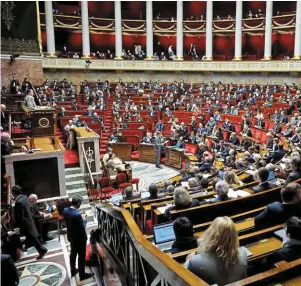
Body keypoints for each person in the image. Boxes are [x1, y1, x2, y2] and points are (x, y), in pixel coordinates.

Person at [185, 216, 248, 285]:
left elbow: (184, 278)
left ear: (211, 234)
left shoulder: (195, 261)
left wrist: (188, 261)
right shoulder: (243, 254)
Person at [63, 195, 94, 281]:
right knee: (81, 256)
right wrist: (85, 219)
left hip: (71, 236)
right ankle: (82, 274)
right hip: (80, 238)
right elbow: (82, 226)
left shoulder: (65, 210)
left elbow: (72, 218)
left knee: (73, 254)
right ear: (78, 203)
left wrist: (79, 214)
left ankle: (73, 271)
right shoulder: (76, 215)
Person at [12, 185, 48, 259]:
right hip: (29, 220)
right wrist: (13, 199)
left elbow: (20, 216)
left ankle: (42, 250)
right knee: (31, 237)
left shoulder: (18, 202)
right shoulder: (24, 197)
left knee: (32, 238)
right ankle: (40, 250)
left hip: (25, 223)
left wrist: (18, 227)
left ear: (14, 193)